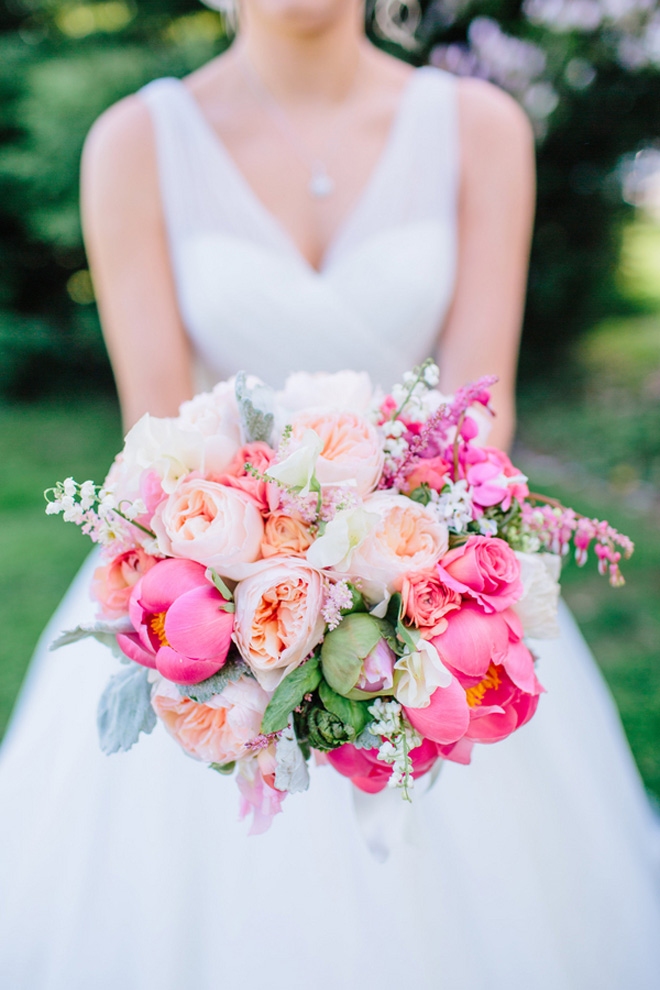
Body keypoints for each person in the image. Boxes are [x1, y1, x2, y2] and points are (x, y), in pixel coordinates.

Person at [1, 1, 659, 987]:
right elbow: (159, 439)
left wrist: (381, 589)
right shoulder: (137, 143)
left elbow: (481, 420)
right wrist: (260, 598)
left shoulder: (480, 130)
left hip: (419, 589)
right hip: (212, 584)